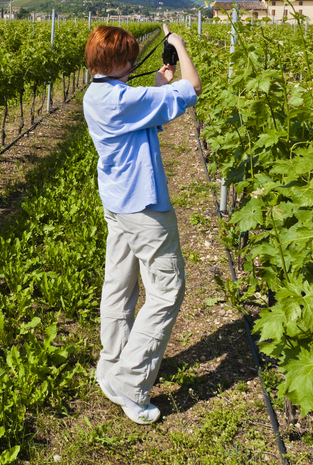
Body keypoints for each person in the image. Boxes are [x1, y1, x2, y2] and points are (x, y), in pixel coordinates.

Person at [82, 23, 201, 424]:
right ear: (115, 61)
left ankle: (112, 361)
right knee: (167, 289)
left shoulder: (98, 95)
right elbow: (192, 88)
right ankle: (131, 384)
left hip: (117, 202)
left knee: (119, 283)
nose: (133, 62)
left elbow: (142, 115)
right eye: (129, 58)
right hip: (143, 206)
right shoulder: (123, 99)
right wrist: (179, 46)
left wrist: (156, 84)